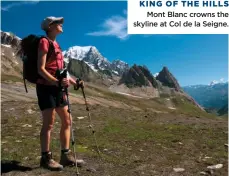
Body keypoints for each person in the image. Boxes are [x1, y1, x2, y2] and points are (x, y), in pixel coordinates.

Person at [37, 16, 85, 171]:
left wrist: (74, 82)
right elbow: (41, 69)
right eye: (58, 22)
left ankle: (65, 156)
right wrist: (56, 82)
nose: (61, 24)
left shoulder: (57, 45)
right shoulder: (44, 42)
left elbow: (63, 72)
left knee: (67, 120)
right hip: (46, 88)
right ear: (50, 26)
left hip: (58, 88)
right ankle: (46, 158)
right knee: (49, 124)